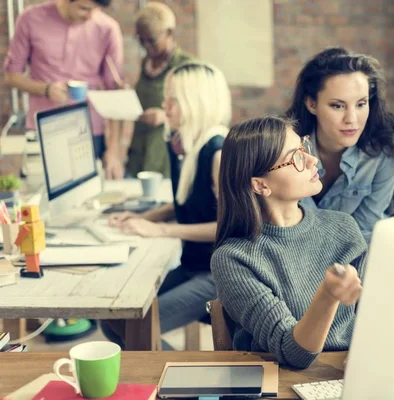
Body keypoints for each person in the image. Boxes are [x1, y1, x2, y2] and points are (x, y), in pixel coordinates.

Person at [211, 116, 367, 369]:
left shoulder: (343, 228)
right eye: (295, 157)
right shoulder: (233, 259)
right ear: (260, 185)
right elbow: (294, 354)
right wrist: (328, 295)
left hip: (350, 373)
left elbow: (377, 317)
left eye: (304, 148)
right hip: (281, 379)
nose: (312, 160)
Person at [101, 62, 231, 349]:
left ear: (194, 102)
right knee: (110, 318)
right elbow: (190, 201)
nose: (165, 105)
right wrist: (143, 217)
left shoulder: (219, 153)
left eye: (173, 98)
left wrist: (160, 230)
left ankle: (182, 384)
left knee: (137, 326)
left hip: (217, 276)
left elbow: (228, 226)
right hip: (192, 266)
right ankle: (169, 374)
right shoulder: (184, 145)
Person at [285, 47, 394, 243]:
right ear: (312, 104)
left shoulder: (386, 150)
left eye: (361, 104)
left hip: (353, 258)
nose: (352, 119)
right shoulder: (282, 148)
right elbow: (280, 228)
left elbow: (364, 230)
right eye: (337, 106)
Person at [3, 0, 124, 178]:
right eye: (84, 8)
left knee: (87, 198)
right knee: (38, 194)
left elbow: (115, 93)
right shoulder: (30, 18)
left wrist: (114, 152)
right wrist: (46, 89)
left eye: (96, 10)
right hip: (43, 130)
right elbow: (11, 76)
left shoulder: (108, 28)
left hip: (88, 131)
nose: (91, 15)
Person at [125, 2, 195, 178]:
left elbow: (201, 111)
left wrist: (164, 116)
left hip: (166, 154)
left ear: (169, 33)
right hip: (139, 151)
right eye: (141, 40)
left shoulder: (187, 66)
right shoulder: (145, 64)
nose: (146, 46)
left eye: (152, 40)